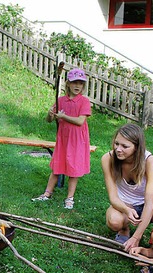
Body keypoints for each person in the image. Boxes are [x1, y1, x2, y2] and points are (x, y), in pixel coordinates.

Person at [31, 68, 91, 209]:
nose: (77, 86)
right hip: (63, 140)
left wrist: (63, 117)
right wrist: (50, 114)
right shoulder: (60, 101)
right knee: (57, 167)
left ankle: (69, 198)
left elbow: (80, 121)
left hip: (77, 141)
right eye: (74, 82)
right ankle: (47, 194)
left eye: (80, 83)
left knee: (73, 169)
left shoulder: (84, 101)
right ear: (68, 84)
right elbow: (49, 120)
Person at [102, 123, 153, 251]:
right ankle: (124, 229)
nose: (118, 149)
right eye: (116, 144)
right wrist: (126, 210)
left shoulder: (150, 162)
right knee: (114, 221)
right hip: (126, 204)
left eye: (125, 146)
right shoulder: (108, 159)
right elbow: (112, 197)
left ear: (137, 147)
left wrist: (136, 237)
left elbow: (150, 202)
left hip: (149, 205)